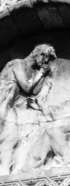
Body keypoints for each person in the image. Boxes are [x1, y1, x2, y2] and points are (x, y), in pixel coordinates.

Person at [0, 44, 56, 174]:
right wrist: (41, 73)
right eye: (44, 57)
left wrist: (43, 75)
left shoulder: (34, 72)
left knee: (12, 138)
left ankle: (5, 173)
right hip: (3, 103)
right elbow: (26, 86)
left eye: (47, 59)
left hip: (11, 109)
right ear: (36, 53)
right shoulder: (16, 64)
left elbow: (34, 91)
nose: (45, 61)